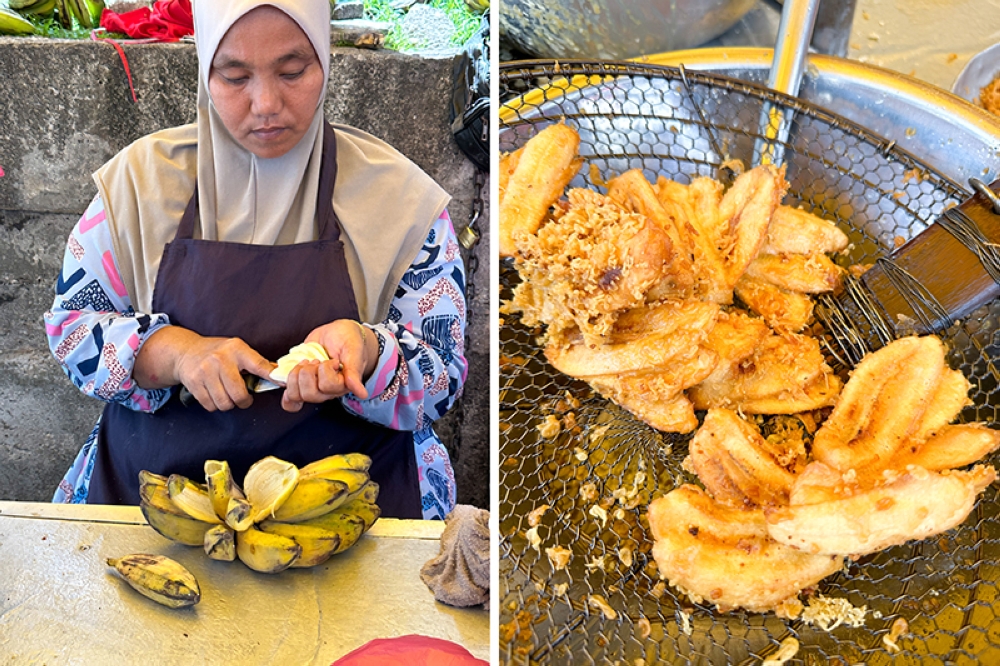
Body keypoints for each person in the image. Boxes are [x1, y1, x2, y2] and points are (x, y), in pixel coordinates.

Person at [43, 0, 467, 520]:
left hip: (351, 505)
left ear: (325, 62)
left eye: (293, 71)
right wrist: (176, 354)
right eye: (234, 76)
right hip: (155, 498)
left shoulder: (400, 200)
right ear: (204, 71)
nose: (266, 103)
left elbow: (443, 375)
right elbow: (71, 331)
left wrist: (370, 352)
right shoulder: (137, 183)